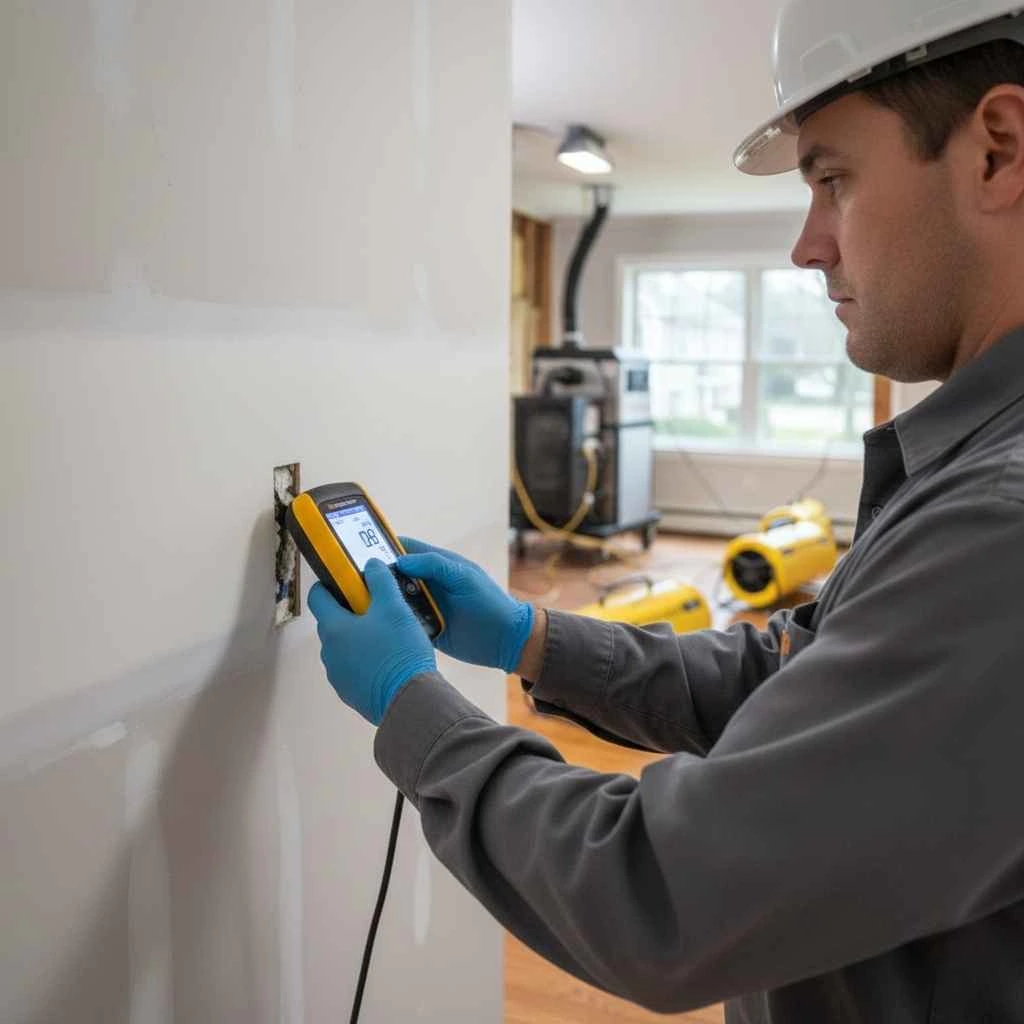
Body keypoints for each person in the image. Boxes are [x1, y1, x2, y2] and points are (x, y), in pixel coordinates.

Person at [308, 0, 1024, 1018]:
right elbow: (792, 675)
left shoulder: (999, 528)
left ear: (997, 149)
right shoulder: (971, 475)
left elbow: (656, 891)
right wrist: (533, 636)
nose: (807, 246)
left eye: (832, 180)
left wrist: (409, 702)